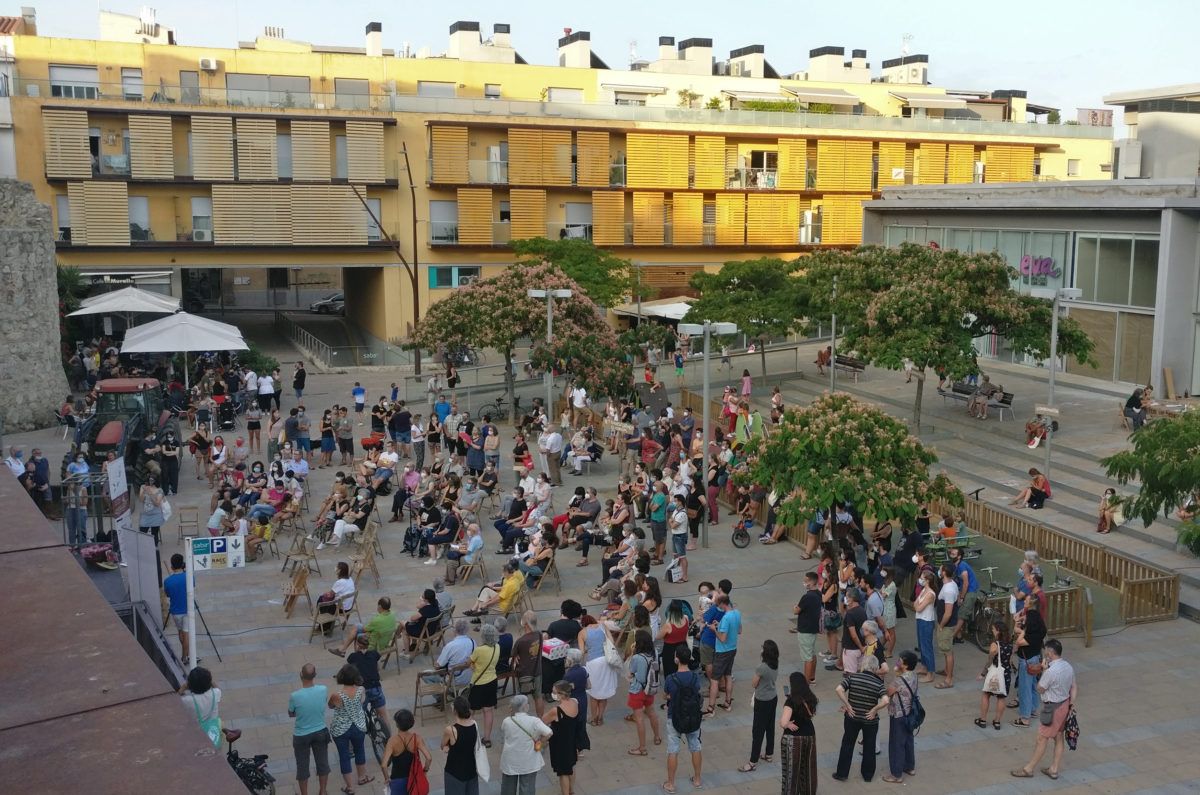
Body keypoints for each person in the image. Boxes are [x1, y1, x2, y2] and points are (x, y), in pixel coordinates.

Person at [1012, 639, 1077, 781]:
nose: (1045, 653)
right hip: (1064, 705)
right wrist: (1071, 705)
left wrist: (1044, 670)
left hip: (1052, 708)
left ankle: (1028, 769)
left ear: (1050, 652)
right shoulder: (1068, 666)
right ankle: (1054, 769)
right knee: (1058, 737)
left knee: (1042, 738)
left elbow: (1040, 688)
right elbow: (1074, 687)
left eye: (1046, 650)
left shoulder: (1051, 671)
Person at [833, 654, 888, 783]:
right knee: (869, 746)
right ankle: (867, 775)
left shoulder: (853, 677)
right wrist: (874, 710)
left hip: (852, 717)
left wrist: (847, 705)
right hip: (870, 720)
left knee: (847, 744)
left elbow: (839, 689)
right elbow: (886, 701)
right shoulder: (878, 683)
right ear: (875, 668)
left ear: (863, 665)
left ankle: (842, 773)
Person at [663, 646, 704, 793]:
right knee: (695, 747)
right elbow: (697, 691)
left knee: (673, 750)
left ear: (676, 659)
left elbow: (666, 695)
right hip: (693, 716)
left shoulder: (671, 678)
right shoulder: (695, 677)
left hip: (674, 716)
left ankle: (671, 783)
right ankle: (697, 779)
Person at [328, 663, 373, 793]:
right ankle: (362, 777)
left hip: (341, 729)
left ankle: (350, 787)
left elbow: (331, 706)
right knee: (360, 750)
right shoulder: (361, 690)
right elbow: (362, 702)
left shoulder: (337, 695)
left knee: (344, 756)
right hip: (358, 725)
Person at [288, 663, 331, 795]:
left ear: (301, 675)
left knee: (302, 766)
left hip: (301, 734)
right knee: (322, 763)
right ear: (315, 676)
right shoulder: (323, 689)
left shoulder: (295, 696)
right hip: (320, 731)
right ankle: (322, 791)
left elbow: (291, 713)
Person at [499, 694, 552, 795]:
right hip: (529, 759)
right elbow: (549, 732)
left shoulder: (507, 721)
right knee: (527, 786)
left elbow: (504, 732)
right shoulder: (534, 721)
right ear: (525, 706)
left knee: (508, 787)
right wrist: (540, 742)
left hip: (510, 759)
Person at [740, 639, 779, 772]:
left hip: (762, 701)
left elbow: (754, 683)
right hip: (773, 697)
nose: (761, 649)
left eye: (762, 648)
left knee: (757, 731)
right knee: (770, 727)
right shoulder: (775, 664)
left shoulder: (761, 667)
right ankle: (769, 753)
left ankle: (753, 761)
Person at [882, 651, 920, 784]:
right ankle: (910, 767)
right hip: (910, 713)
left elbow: (888, 692)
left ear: (906, 664)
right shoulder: (914, 675)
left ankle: (896, 774)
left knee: (896, 744)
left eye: (900, 661)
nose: (897, 662)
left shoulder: (899, 680)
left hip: (898, 715)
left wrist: (893, 675)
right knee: (908, 740)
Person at [780, 671, 819, 795]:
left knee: (791, 771)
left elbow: (783, 722)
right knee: (808, 769)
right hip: (810, 736)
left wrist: (788, 725)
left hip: (794, 740)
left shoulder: (791, 701)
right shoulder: (811, 698)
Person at [626, 630, 662, 755]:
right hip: (650, 688)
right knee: (652, 713)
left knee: (639, 719)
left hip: (637, 689)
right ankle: (657, 737)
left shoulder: (637, 657)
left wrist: (632, 653)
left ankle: (642, 748)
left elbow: (631, 672)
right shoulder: (655, 653)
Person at [1012, 601, 1047, 727]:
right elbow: (1017, 629)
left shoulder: (1030, 636)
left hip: (1027, 663)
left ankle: (1024, 718)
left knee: (1024, 689)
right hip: (1035, 659)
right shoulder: (1038, 631)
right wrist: (1018, 620)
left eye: (1026, 618)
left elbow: (1019, 641)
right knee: (1032, 686)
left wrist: (1021, 631)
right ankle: (1033, 709)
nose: (1024, 620)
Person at [542, 679, 580, 795]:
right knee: (571, 767)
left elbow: (542, 721)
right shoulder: (574, 703)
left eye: (554, 692)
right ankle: (571, 790)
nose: (553, 694)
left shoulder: (556, 711)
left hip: (560, 744)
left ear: (562, 694)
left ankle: (566, 793)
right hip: (571, 741)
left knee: (563, 772)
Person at [468, 623, 503, 747]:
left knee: (471, 711)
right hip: (492, 681)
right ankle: (487, 738)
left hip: (478, 683)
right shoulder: (497, 647)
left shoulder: (479, 650)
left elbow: (470, 662)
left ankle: (468, 737)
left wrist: (474, 666)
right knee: (488, 711)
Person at [382, 708, 431, 795]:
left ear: (397, 724)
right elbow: (429, 758)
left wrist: (387, 778)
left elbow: (384, 765)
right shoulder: (417, 738)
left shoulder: (392, 741)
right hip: (414, 778)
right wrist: (425, 770)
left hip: (397, 780)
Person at [707, 593, 742, 713]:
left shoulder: (726, 618)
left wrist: (714, 629)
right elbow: (739, 630)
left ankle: (711, 707)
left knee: (714, 680)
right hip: (732, 649)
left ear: (722, 604)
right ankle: (727, 702)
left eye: (718, 604)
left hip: (722, 651)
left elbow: (722, 639)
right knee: (728, 675)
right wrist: (720, 625)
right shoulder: (737, 613)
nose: (717, 607)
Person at [976, 620, 1013, 731]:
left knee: (986, 694)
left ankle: (982, 720)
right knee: (1001, 697)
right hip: (1005, 673)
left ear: (997, 631)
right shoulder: (1010, 643)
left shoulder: (995, 645)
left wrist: (983, 674)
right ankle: (997, 721)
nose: (992, 631)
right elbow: (1010, 661)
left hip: (995, 674)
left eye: (993, 629)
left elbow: (990, 661)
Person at [441, 696, 480, 795]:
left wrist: (447, 746)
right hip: (471, 770)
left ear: (455, 711)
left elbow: (443, 745)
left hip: (454, 771)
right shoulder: (474, 725)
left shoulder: (451, 730)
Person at [180, 666, 222, 748]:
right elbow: (217, 688)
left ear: (190, 685)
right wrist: (208, 681)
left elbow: (175, 701)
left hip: (197, 732)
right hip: (213, 727)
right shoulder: (215, 693)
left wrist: (183, 688)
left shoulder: (188, 701)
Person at [794, 572, 823, 684]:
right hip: (813, 628)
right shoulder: (818, 594)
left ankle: (805, 683)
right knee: (812, 653)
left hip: (805, 630)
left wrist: (795, 608)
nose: (804, 582)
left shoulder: (806, 597)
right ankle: (812, 677)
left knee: (807, 657)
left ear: (812, 582)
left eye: (806, 580)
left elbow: (797, 610)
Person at [935, 563, 959, 689]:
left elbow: (948, 612)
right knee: (946, 650)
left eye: (941, 568)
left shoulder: (949, 589)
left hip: (946, 625)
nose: (939, 570)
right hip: (946, 623)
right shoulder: (952, 584)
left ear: (944, 572)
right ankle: (946, 670)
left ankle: (948, 679)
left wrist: (941, 625)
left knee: (947, 651)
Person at [163, 553, 190, 665]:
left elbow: (167, 595)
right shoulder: (189, 577)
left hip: (175, 611)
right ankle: (185, 657)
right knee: (186, 634)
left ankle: (185, 655)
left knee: (181, 632)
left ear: (172, 566)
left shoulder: (168, 581)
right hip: (187, 610)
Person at [913, 570, 939, 683]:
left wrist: (917, 605)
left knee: (927, 647)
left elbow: (918, 608)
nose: (920, 580)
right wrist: (917, 605)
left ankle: (931, 673)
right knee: (921, 645)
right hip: (920, 619)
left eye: (922, 578)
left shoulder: (930, 594)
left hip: (927, 622)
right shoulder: (924, 590)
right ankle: (924, 666)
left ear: (927, 580)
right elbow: (915, 603)